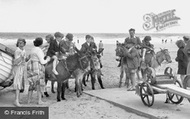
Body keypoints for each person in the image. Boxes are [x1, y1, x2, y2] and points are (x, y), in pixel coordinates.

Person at [27, 37, 50, 104]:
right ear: (41, 43)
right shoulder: (39, 50)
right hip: (37, 66)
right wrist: (48, 59)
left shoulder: (32, 49)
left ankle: (29, 100)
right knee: (39, 84)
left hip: (30, 66)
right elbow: (42, 62)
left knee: (31, 84)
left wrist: (43, 46)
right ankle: (39, 101)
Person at [11, 38, 27, 107]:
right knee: (17, 84)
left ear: (24, 43)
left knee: (20, 84)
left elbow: (24, 60)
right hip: (18, 68)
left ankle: (17, 99)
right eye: (19, 43)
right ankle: (16, 101)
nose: (21, 44)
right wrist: (21, 57)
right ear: (17, 44)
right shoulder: (17, 51)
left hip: (22, 68)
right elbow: (15, 62)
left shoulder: (23, 50)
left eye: (22, 43)